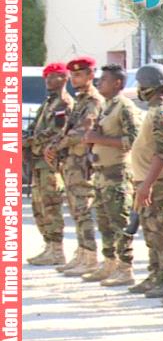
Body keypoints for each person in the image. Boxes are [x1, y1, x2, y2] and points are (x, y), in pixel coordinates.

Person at [81, 64, 141, 286]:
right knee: (104, 222)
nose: (99, 83)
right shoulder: (106, 106)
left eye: (104, 79)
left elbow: (134, 139)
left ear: (117, 83)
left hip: (117, 174)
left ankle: (125, 268)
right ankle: (109, 263)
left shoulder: (124, 107)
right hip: (101, 174)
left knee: (119, 223)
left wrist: (98, 139)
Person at [45, 56, 104, 276]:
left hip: (83, 163)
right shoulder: (80, 101)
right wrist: (53, 145)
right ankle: (81, 252)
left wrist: (57, 145)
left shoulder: (93, 101)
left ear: (91, 75)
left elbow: (82, 131)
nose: (74, 79)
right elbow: (67, 129)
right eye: (73, 75)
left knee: (83, 209)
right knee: (76, 210)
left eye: (79, 75)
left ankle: (90, 257)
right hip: (71, 163)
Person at [128, 63, 163, 296]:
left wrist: (147, 184)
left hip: (157, 183)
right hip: (146, 182)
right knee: (151, 231)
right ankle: (156, 272)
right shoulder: (152, 110)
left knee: (162, 230)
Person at [26, 63, 74, 266]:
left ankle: (57, 250)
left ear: (64, 78)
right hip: (38, 161)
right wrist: (25, 137)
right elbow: (34, 127)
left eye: (53, 76)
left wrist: (29, 141)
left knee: (51, 204)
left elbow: (56, 131)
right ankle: (48, 246)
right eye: (46, 77)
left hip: (51, 162)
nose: (48, 80)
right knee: (39, 206)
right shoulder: (49, 102)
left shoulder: (63, 103)